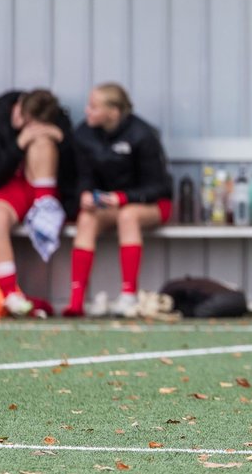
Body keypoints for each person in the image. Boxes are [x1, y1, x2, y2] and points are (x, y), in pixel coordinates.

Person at [66, 83, 173, 318]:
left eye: (94, 107)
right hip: (111, 204)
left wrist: (123, 197)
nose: (87, 111)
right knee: (86, 218)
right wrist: (85, 194)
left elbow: (159, 186)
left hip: (151, 205)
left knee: (128, 215)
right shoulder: (83, 134)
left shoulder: (142, 135)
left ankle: (128, 296)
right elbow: (83, 176)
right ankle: (76, 301)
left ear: (113, 112)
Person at [0, 88, 77, 317]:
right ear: (19, 108)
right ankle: (9, 293)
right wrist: (19, 142)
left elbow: (75, 168)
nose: (29, 126)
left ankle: (45, 206)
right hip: (7, 187)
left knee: (42, 141)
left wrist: (59, 138)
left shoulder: (55, 118)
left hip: (44, 188)